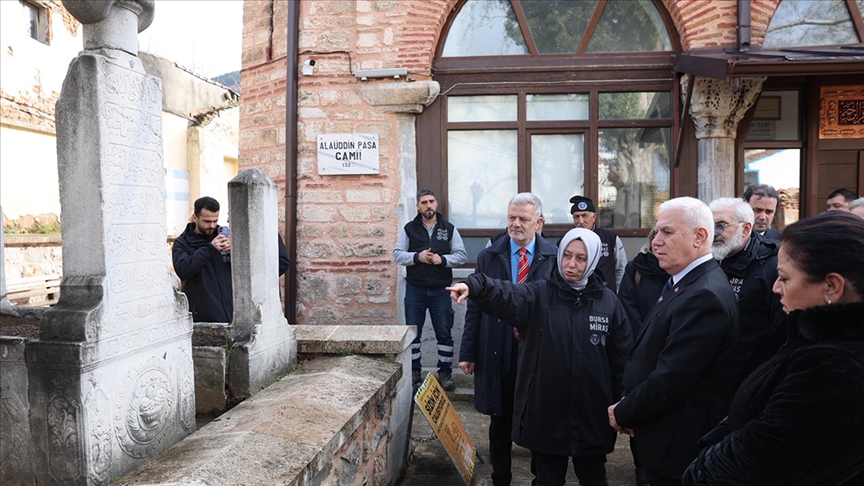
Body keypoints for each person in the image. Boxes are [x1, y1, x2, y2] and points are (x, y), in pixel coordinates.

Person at [683, 211, 864, 486]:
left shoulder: (833, 369)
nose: (776, 288)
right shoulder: (809, 335)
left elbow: (754, 462)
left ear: (831, 286)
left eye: (785, 277)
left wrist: (699, 470)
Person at [449, 228, 632, 486]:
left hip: (592, 414)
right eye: (567, 255)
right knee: (547, 478)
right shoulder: (539, 294)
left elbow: (621, 359)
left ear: (591, 260)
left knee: (594, 478)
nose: (571, 263)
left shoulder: (608, 303)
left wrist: (623, 402)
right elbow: (506, 292)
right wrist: (473, 285)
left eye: (580, 258)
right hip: (548, 413)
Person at [608, 197, 738, 486]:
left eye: (666, 232)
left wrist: (624, 411)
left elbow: (672, 379)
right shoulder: (685, 282)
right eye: (655, 233)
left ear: (700, 236)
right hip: (660, 431)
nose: (656, 242)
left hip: (677, 444)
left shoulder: (704, 295)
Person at [459, 193, 557, 486]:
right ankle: (500, 477)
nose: (515, 224)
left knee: (538, 417)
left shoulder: (553, 257)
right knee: (499, 420)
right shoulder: (491, 255)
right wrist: (468, 351)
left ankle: (540, 478)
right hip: (497, 347)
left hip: (537, 349)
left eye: (523, 219)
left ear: (538, 223)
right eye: (511, 218)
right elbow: (475, 305)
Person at [393, 188, 467, 391]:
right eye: (424, 202)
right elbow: (397, 254)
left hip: (441, 289)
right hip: (415, 289)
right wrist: (417, 257)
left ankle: (445, 372)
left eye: (431, 201)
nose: (428, 205)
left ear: (436, 204)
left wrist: (441, 260)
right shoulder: (409, 229)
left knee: (444, 332)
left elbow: (461, 255)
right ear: (418, 206)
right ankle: (415, 371)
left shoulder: (449, 229)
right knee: (413, 333)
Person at [172, 197, 290, 323]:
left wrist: (235, 254)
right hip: (203, 316)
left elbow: (246, 273)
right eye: (207, 221)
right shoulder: (182, 243)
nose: (212, 226)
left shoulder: (227, 236)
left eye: (215, 221)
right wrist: (210, 248)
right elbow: (183, 270)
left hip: (234, 314)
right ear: (195, 217)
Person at [709, 198, 785, 382]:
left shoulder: (771, 267)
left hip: (750, 375)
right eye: (710, 226)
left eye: (721, 226)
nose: (714, 233)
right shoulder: (709, 258)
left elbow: (781, 332)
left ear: (745, 229)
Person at [616, 228, 668, 486]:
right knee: (640, 407)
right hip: (641, 351)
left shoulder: (678, 271)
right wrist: (647, 341)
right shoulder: (635, 269)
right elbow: (627, 307)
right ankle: (641, 467)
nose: (660, 243)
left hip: (670, 349)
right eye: (656, 237)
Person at [569, 195, 626, 293]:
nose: (581, 221)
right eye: (577, 217)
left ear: (594, 217)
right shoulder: (567, 241)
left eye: (584, 216)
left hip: (606, 297)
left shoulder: (610, 238)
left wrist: (618, 294)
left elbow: (621, 269)